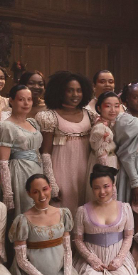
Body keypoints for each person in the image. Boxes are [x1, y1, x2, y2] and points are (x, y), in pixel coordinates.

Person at [3, 174, 88, 275]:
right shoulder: (23, 220)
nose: (42, 195)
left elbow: (67, 249)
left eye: (45, 189)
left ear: (50, 188)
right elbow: (21, 260)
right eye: (35, 192)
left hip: (58, 272)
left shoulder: (63, 214)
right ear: (29, 194)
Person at [37, 71, 96, 217]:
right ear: (60, 91)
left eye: (79, 90)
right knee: (63, 212)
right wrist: (51, 182)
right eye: (70, 90)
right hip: (61, 172)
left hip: (85, 171)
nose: (75, 94)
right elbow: (45, 153)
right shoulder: (49, 116)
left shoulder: (90, 115)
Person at [0, 84, 43, 214]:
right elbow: (2, 162)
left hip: (37, 169)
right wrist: (8, 193)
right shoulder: (5, 127)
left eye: (29, 99)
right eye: (21, 99)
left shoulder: (33, 123)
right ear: (11, 101)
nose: (26, 103)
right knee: (25, 209)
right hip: (19, 172)